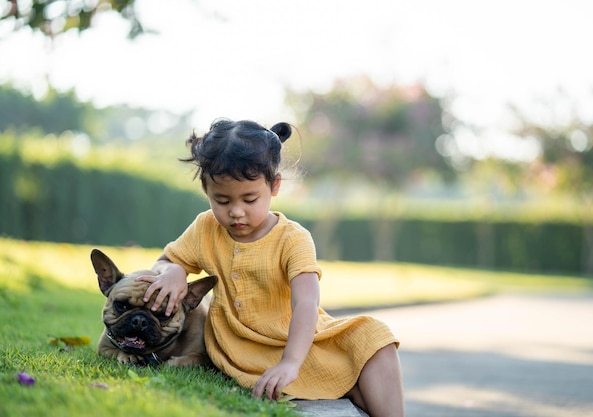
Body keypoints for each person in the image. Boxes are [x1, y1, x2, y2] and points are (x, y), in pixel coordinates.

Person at [138, 119, 405, 417]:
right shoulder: (206, 227)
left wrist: (290, 362)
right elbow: (166, 261)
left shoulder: (293, 239)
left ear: (274, 185)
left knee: (375, 337)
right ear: (206, 190)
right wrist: (174, 270)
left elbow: (306, 304)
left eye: (250, 199)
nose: (236, 211)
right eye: (222, 200)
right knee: (355, 387)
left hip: (298, 343)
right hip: (242, 352)